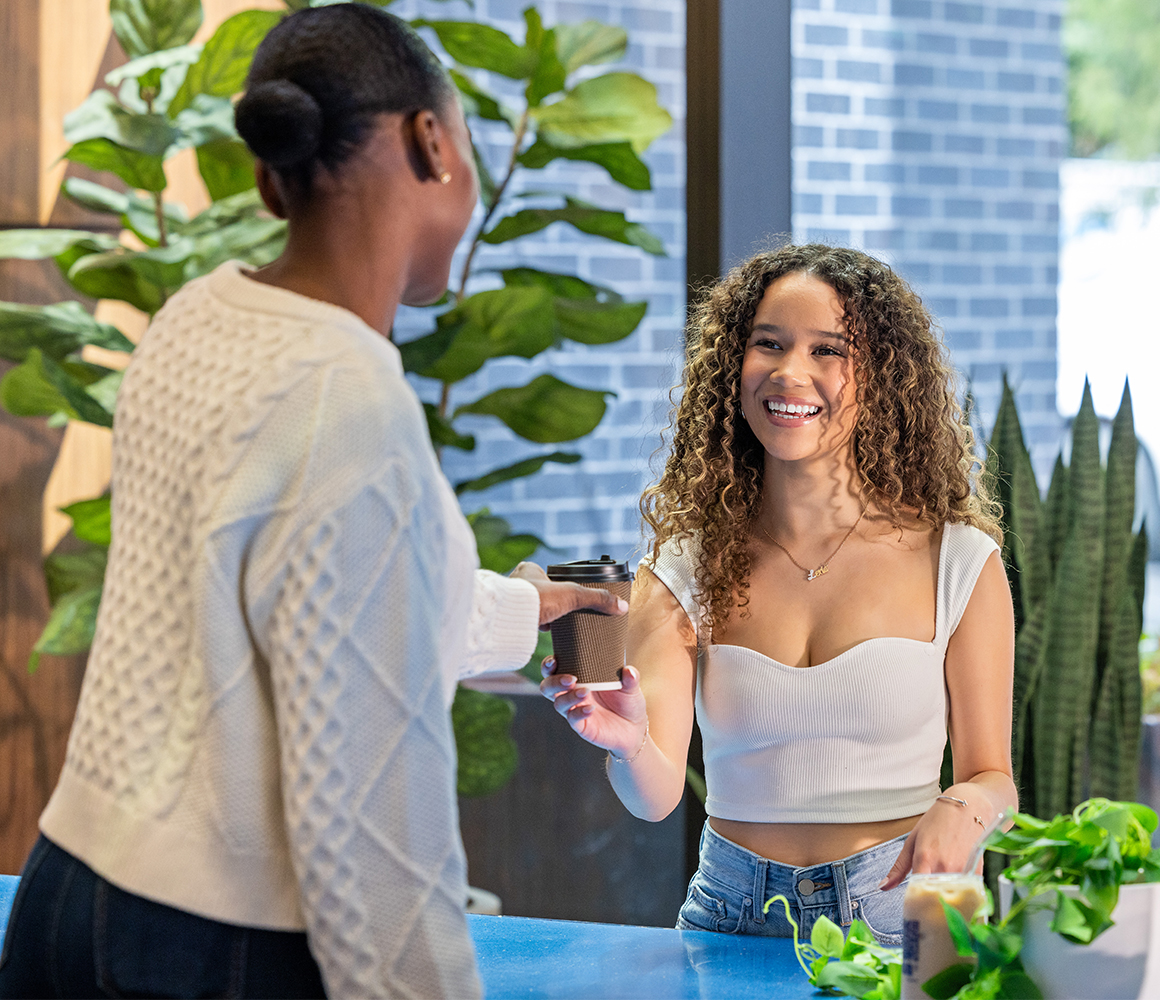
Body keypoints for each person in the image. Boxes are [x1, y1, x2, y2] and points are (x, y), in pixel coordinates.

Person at [0, 7, 624, 999]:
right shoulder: (349, 396)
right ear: (431, 143)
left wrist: (523, 608)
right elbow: (373, 826)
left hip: (66, 897)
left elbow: (299, 592)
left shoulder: (195, 316)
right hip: (214, 949)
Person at [541, 244, 1018, 945]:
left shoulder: (958, 559)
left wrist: (967, 805)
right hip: (733, 915)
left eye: (829, 350)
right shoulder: (683, 566)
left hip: (905, 909)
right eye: (769, 343)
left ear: (882, 377)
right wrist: (626, 740)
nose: (791, 372)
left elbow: (995, 779)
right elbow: (655, 796)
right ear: (735, 364)